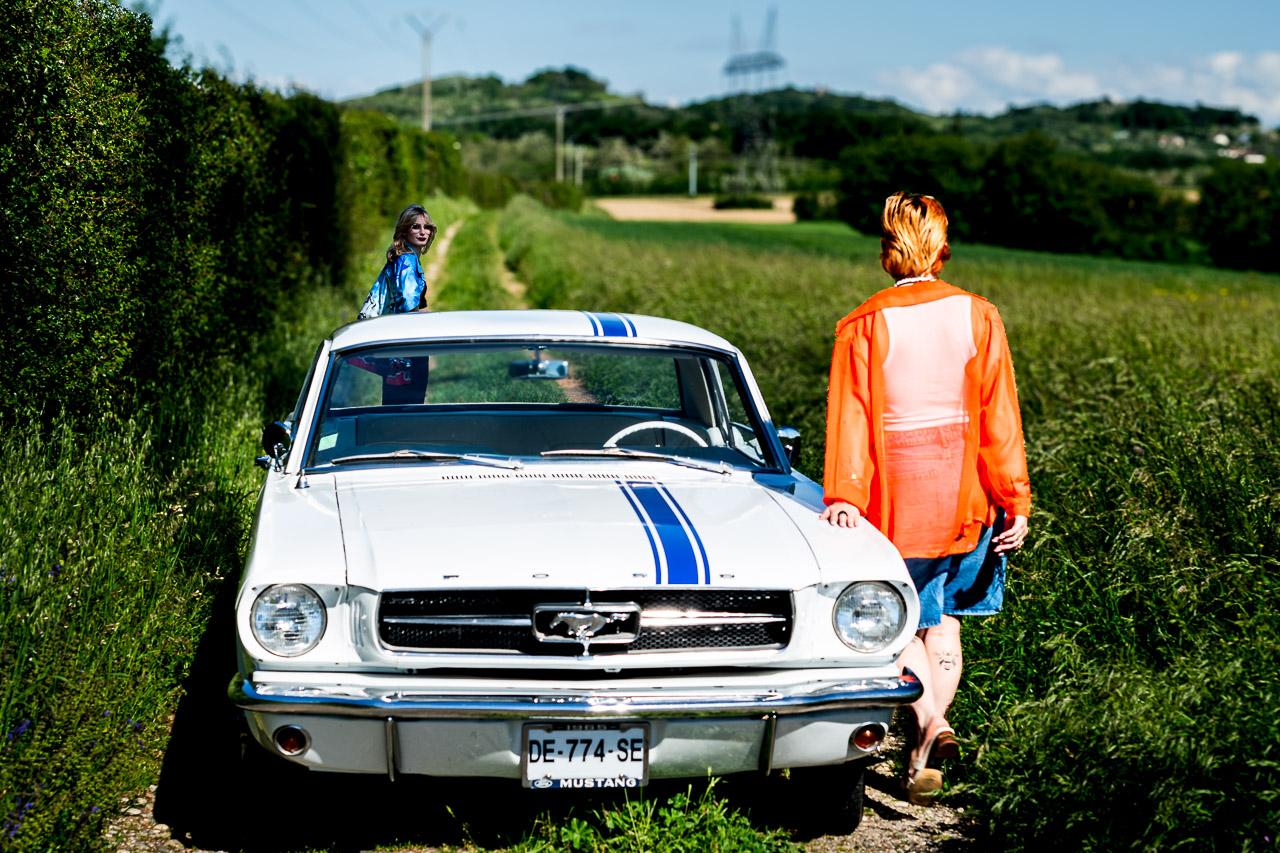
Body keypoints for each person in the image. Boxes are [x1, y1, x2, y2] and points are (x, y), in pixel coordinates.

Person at [819, 191, 1031, 804]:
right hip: (966, 505)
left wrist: (846, 497)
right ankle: (922, 754)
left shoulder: (861, 324)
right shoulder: (980, 315)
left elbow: (851, 420)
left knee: (905, 626)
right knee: (945, 629)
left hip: (895, 506)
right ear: (942, 249)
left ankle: (931, 725)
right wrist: (1014, 500)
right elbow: (1000, 421)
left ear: (887, 254)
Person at [357, 204, 437, 404]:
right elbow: (409, 311)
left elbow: (420, 303)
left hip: (395, 346)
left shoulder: (405, 258)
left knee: (394, 409)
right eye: (415, 227)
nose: (422, 232)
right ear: (404, 230)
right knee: (408, 411)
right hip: (407, 349)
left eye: (426, 227)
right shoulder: (407, 262)